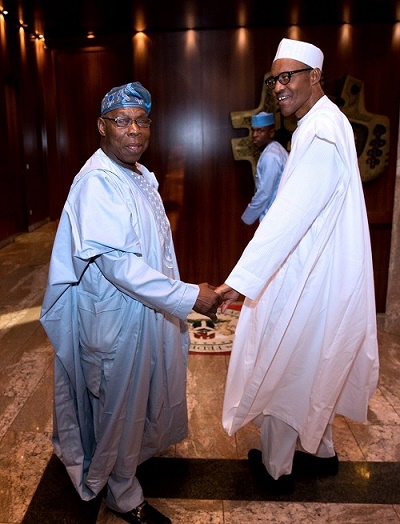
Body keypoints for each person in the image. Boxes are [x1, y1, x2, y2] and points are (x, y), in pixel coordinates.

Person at [40, 82, 221, 524]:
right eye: (121, 120)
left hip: (140, 312)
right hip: (115, 322)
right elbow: (119, 266)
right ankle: (122, 493)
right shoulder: (97, 182)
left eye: (141, 120)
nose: (133, 130)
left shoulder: (137, 174)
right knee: (117, 408)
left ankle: (126, 465)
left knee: (134, 402)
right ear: (102, 126)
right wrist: (189, 295)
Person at [215, 38, 379, 493]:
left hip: (311, 277)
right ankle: (322, 454)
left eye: (288, 76)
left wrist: (240, 280)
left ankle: (275, 470)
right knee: (310, 366)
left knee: (284, 366)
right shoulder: (322, 123)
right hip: (319, 271)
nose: (279, 87)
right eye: (274, 79)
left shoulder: (321, 130)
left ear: (315, 76)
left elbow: (289, 216)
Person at [241, 111, 288, 225]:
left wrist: (247, 218)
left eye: (260, 131)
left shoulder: (270, 157)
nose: (254, 135)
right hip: (281, 213)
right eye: (253, 130)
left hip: (274, 217)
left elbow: (264, 193)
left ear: (271, 133)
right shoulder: (277, 148)